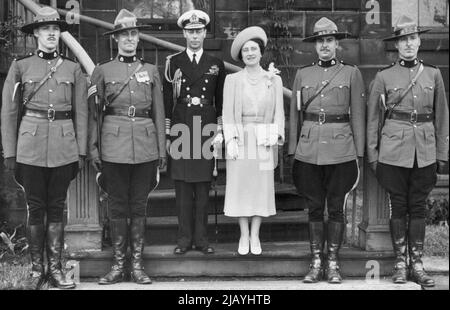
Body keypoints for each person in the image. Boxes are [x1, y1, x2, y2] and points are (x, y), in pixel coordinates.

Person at [1, 6, 87, 289]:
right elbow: (9, 112)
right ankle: (37, 270)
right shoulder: (21, 66)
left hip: (63, 146)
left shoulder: (72, 68)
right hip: (30, 146)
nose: (51, 33)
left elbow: (81, 113)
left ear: (60, 34)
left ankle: (57, 268)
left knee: (57, 206)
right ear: (36, 33)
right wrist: (10, 152)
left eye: (55, 29)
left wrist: (81, 150)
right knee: (35, 208)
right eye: (46, 29)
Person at [366, 15, 449, 287]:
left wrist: (441, 155)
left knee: (418, 208)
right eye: (403, 40)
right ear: (397, 45)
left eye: (412, 38)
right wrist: (374, 155)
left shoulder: (433, 74)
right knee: (398, 207)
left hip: (424, 151)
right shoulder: (383, 76)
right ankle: (401, 264)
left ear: (419, 41)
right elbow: (373, 120)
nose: (409, 44)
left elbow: (442, 117)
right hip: (392, 152)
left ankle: (418, 263)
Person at [87, 9, 166, 285]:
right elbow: (95, 115)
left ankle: (137, 266)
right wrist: (94, 148)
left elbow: (158, 112)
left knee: (139, 205)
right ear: (116, 39)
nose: (129, 39)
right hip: (113, 145)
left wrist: (161, 151)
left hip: (144, 145)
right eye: (124, 35)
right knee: (118, 205)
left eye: (133, 34)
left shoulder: (151, 70)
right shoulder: (102, 71)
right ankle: (119, 265)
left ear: (138, 38)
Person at [288, 17, 366, 284]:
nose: (324, 45)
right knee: (313, 207)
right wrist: (292, 149)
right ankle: (315, 262)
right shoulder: (303, 74)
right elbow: (294, 116)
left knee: (336, 208)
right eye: (320, 41)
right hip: (309, 148)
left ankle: (332, 262)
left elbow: (357, 115)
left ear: (336, 44)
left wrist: (360, 153)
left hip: (341, 148)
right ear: (315, 45)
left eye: (329, 40)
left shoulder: (351, 73)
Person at [164, 10, 225, 255]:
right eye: (190, 31)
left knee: (202, 188)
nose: (195, 36)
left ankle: (201, 239)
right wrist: (168, 134)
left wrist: (219, 131)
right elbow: (168, 100)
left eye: (199, 31)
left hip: (206, 129)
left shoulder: (215, 64)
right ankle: (183, 239)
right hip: (181, 128)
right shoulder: (173, 62)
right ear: (184, 33)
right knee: (181, 189)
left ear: (204, 33)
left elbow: (219, 101)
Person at [222, 26, 284, 256]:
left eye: (254, 49)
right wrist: (231, 140)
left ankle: (255, 233)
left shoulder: (273, 79)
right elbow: (227, 113)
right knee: (240, 187)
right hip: (240, 138)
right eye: (246, 50)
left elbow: (279, 112)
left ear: (261, 52)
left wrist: (276, 135)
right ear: (241, 55)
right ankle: (243, 233)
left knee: (260, 188)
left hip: (263, 139)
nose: (250, 53)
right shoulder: (232, 80)